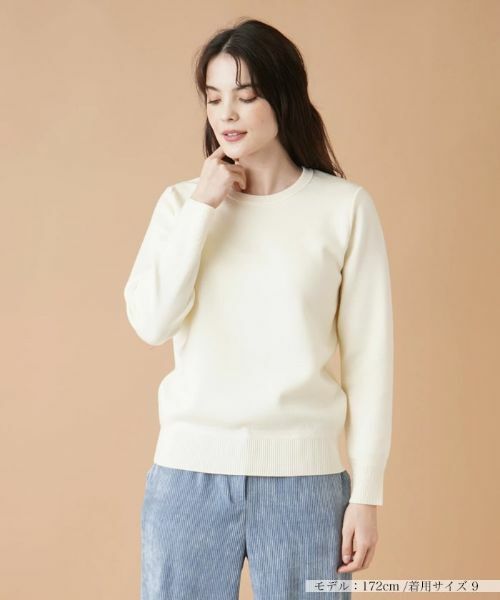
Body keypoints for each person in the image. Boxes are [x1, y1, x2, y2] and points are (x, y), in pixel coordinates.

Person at [124, 18, 393, 600]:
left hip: (306, 483)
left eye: (245, 97)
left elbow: (370, 362)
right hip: (188, 477)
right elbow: (151, 321)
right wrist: (202, 207)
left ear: (284, 97)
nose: (227, 114)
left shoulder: (343, 208)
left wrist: (366, 494)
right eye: (214, 98)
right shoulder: (180, 205)